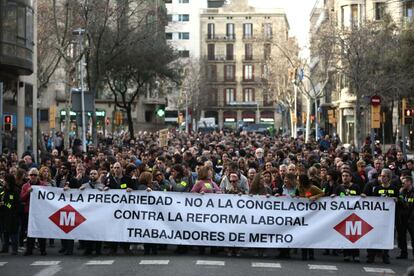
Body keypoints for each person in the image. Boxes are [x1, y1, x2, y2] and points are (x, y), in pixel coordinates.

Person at [364, 168, 399, 264]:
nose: (381, 178)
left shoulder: (394, 189)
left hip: (389, 219)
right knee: (373, 235)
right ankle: (371, 256)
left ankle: (385, 255)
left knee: (387, 236)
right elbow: (373, 202)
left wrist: (396, 200)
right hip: (377, 218)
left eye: (384, 176)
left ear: (389, 178)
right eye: (381, 176)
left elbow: (399, 203)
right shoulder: (377, 189)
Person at [296, 174, 324, 261]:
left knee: (310, 234)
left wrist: (314, 197)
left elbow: (322, 193)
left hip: (311, 215)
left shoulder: (312, 188)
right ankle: (304, 254)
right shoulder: (299, 188)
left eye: (298, 180)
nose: (297, 181)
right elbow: (297, 196)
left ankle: (311, 254)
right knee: (303, 235)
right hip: (302, 215)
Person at [20, 168, 47, 256]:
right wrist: (28, 192)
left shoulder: (43, 185)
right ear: (29, 176)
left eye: (35, 175)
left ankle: (43, 249)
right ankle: (29, 250)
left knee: (41, 231)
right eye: (31, 175)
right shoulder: (25, 186)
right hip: (29, 212)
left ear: (38, 176)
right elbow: (22, 198)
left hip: (40, 212)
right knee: (30, 231)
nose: (33, 176)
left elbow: (48, 198)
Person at [79, 169, 104, 256]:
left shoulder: (102, 186)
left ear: (98, 175)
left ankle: (98, 250)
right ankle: (88, 249)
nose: (93, 175)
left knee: (98, 232)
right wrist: (80, 190)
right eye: (91, 174)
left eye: (94, 173)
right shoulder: (84, 186)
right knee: (88, 231)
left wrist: (105, 191)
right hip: (88, 213)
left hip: (98, 212)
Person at [0, 174, 20, 255]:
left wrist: (4, 204)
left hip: (13, 215)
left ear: (8, 181)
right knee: (5, 232)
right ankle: (5, 248)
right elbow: (1, 197)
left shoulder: (15, 190)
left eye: (5, 180)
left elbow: (13, 204)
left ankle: (15, 249)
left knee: (13, 232)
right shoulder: (3, 190)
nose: (3, 182)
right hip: (4, 215)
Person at [396, 176, 414, 260]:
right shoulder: (402, 192)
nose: (402, 184)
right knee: (402, 237)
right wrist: (399, 194)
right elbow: (401, 204)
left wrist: (411, 218)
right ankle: (403, 253)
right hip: (402, 218)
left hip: (411, 219)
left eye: (404, 183)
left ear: (409, 182)